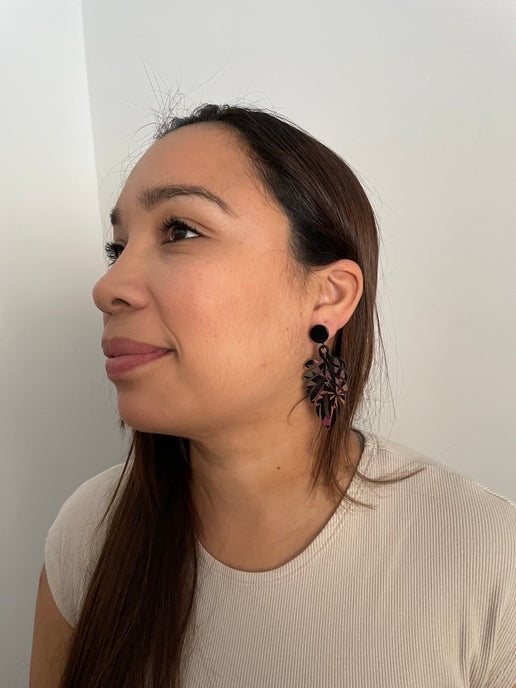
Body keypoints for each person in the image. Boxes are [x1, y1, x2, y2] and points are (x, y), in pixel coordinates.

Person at [31, 104, 516, 688]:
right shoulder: (90, 531)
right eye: (118, 247)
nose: (107, 287)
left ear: (328, 296)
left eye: (180, 230)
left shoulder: (489, 556)